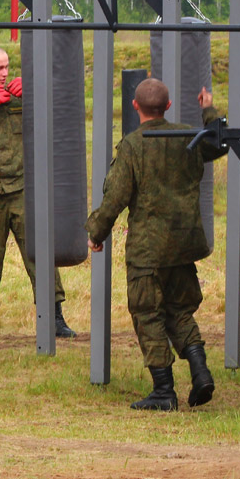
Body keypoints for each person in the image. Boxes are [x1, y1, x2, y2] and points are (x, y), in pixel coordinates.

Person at [86, 78, 227, 411]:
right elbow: (220, 143)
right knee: (179, 311)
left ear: (135, 107)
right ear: (168, 106)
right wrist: (208, 110)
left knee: (147, 314)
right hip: (183, 245)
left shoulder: (134, 146)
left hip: (148, 251)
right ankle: (200, 371)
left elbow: (115, 197)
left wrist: (96, 232)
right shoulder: (188, 137)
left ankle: (164, 391)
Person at [0, 44, 74, 350]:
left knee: (41, 251)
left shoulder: (17, 93)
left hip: (22, 187)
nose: (5, 73)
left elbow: (55, 121)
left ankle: (53, 316)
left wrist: (33, 95)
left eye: (7, 67)